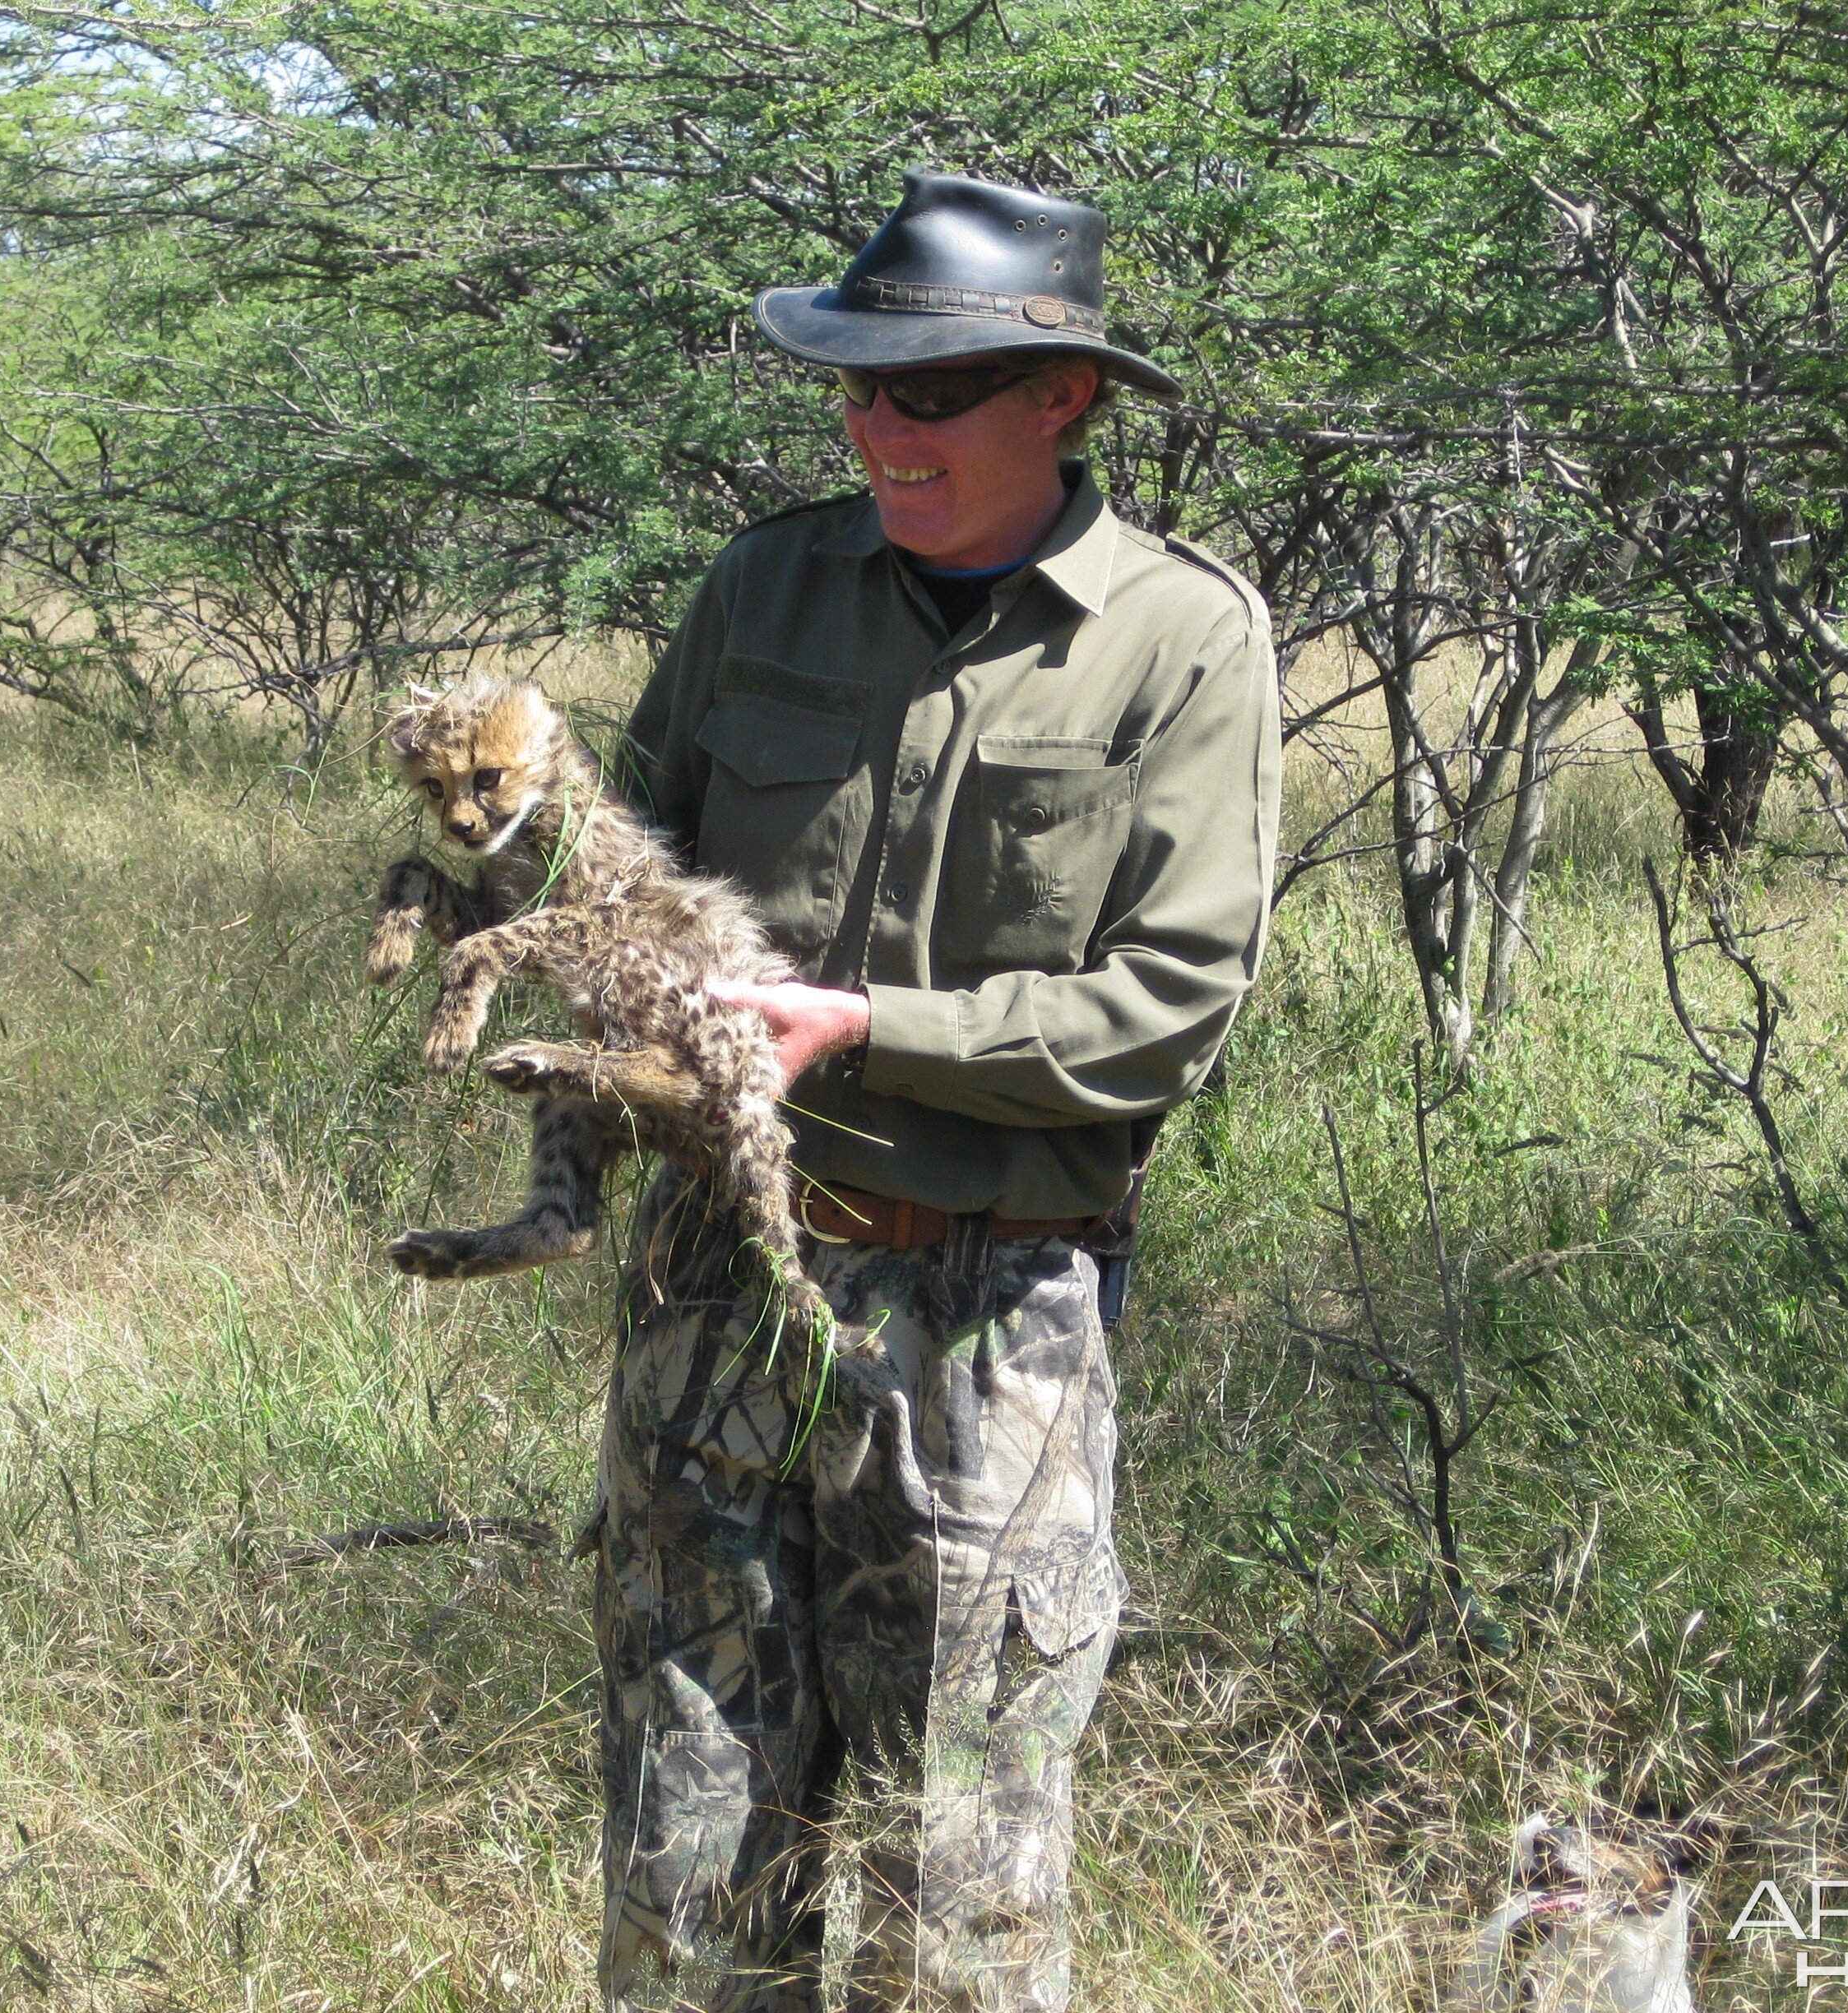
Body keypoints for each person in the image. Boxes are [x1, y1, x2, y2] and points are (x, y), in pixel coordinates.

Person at [591, 168, 1282, 2011]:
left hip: (994, 1321)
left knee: (957, 1892)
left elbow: (1169, 1008)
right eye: (857, 388)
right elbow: (632, 866)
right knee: (686, 1859)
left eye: (927, 392)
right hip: (716, 1278)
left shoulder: (1181, 637)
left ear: (1063, 398)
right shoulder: (764, 588)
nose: (874, 427)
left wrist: (872, 1029)